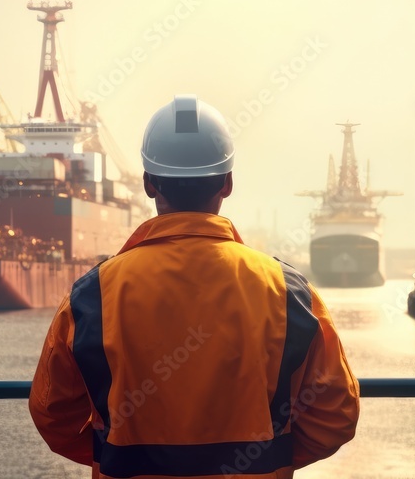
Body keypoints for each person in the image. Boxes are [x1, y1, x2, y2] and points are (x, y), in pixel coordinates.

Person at [30, 94, 360, 478]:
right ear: (228, 183)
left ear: (149, 184)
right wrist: (271, 459)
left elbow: (53, 415)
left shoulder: (90, 297)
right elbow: (335, 415)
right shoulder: (289, 293)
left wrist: (111, 455)